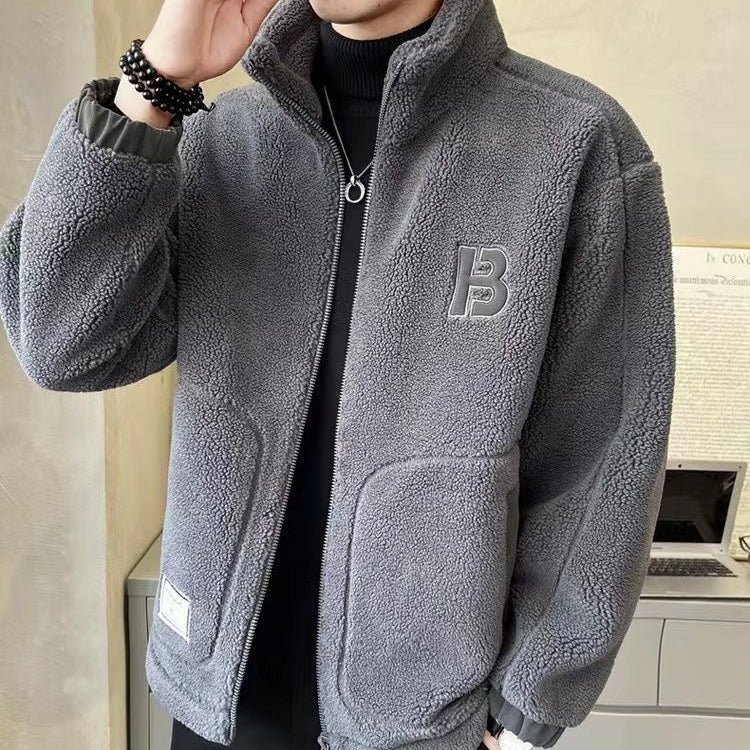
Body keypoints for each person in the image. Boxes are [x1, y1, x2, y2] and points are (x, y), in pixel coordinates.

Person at [0, 1, 676, 750]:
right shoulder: (222, 138)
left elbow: (606, 446)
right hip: (218, 693)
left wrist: (531, 700)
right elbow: (62, 343)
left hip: (421, 717)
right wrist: (153, 84)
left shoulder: (573, 144)